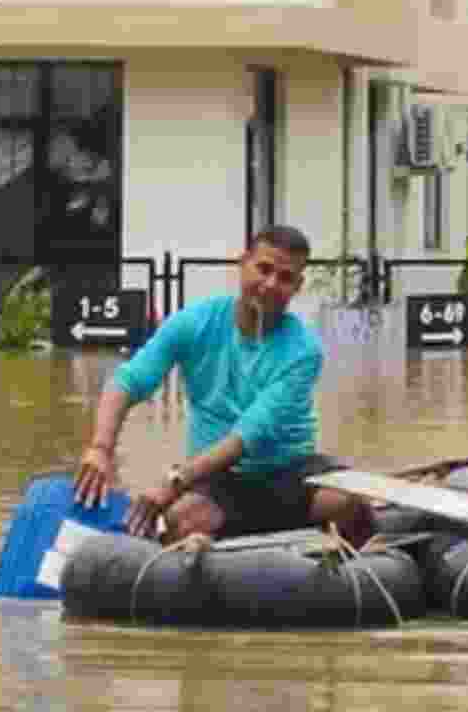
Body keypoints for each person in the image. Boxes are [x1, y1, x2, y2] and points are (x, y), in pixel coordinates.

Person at [72, 225, 372, 546]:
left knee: (351, 504)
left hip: (291, 473)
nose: (270, 285)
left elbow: (245, 437)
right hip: (218, 480)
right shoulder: (193, 323)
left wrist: (173, 481)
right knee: (181, 520)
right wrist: (100, 449)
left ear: (297, 286)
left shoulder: (303, 350)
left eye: (285, 278)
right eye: (264, 269)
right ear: (242, 264)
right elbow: (126, 383)